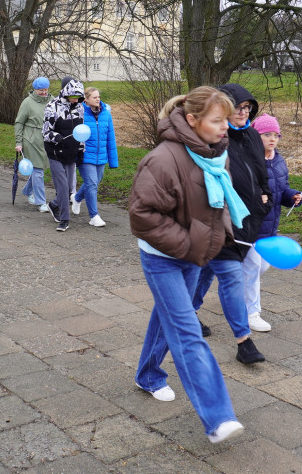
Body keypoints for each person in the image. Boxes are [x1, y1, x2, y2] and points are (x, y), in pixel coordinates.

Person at [130, 86, 248, 444]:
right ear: (192, 120)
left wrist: (220, 234)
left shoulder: (216, 156)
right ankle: (218, 418)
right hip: (163, 258)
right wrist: (187, 245)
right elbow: (142, 215)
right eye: (217, 120)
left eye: (227, 120)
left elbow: (218, 203)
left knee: (168, 314)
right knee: (186, 330)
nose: (225, 127)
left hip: (195, 256)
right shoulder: (163, 159)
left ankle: (148, 375)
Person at [191, 84, 271, 362]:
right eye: (238, 107)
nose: (243, 112)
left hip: (247, 221)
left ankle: (188, 313)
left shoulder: (251, 135)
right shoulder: (212, 140)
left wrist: (267, 198)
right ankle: (244, 342)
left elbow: (262, 175)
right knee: (230, 276)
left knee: (205, 272)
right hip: (218, 222)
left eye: (248, 107)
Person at [243, 114, 302, 332]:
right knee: (252, 268)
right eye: (266, 134)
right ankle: (252, 313)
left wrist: (292, 197)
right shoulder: (248, 160)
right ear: (255, 136)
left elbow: (281, 189)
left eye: (276, 135)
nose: (272, 139)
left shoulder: (278, 160)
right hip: (250, 226)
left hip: (270, 227)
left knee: (262, 266)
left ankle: (234, 288)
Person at [42, 77, 85, 232]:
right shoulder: (52, 107)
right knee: (63, 186)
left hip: (71, 151)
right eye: (73, 96)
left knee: (68, 189)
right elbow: (46, 132)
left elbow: (81, 131)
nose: (76, 99)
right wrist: (56, 137)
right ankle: (64, 220)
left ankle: (54, 205)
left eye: (78, 96)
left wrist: (81, 149)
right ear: (66, 92)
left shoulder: (79, 107)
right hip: (55, 152)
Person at [73, 86, 118, 227]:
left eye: (98, 97)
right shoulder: (79, 113)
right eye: (94, 97)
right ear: (86, 99)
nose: (98, 99)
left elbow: (110, 137)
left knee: (93, 183)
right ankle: (94, 216)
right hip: (85, 156)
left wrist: (113, 160)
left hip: (101, 156)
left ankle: (77, 198)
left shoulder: (106, 114)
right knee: (92, 183)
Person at [14, 77, 51, 212]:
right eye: (41, 90)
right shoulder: (27, 103)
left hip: (47, 139)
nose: (44, 92)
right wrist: (19, 142)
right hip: (31, 139)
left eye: (45, 89)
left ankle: (27, 190)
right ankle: (41, 202)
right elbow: (19, 122)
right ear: (35, 89)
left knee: (39, 169)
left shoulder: (52, 101)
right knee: (38, 171)